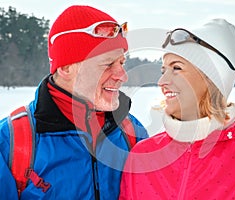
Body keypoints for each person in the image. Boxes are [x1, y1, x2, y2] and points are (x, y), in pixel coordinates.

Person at [119, 19, 235, 199]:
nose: (162, 82)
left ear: (211, 80)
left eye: (176, 68)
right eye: (163, 70)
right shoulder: (143, 155)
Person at [0, 5, 148, 199]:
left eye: (122, 63)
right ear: (66, 68)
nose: (123, 76)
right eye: (107, 64)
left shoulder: (132, 133)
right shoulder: (11, 142)